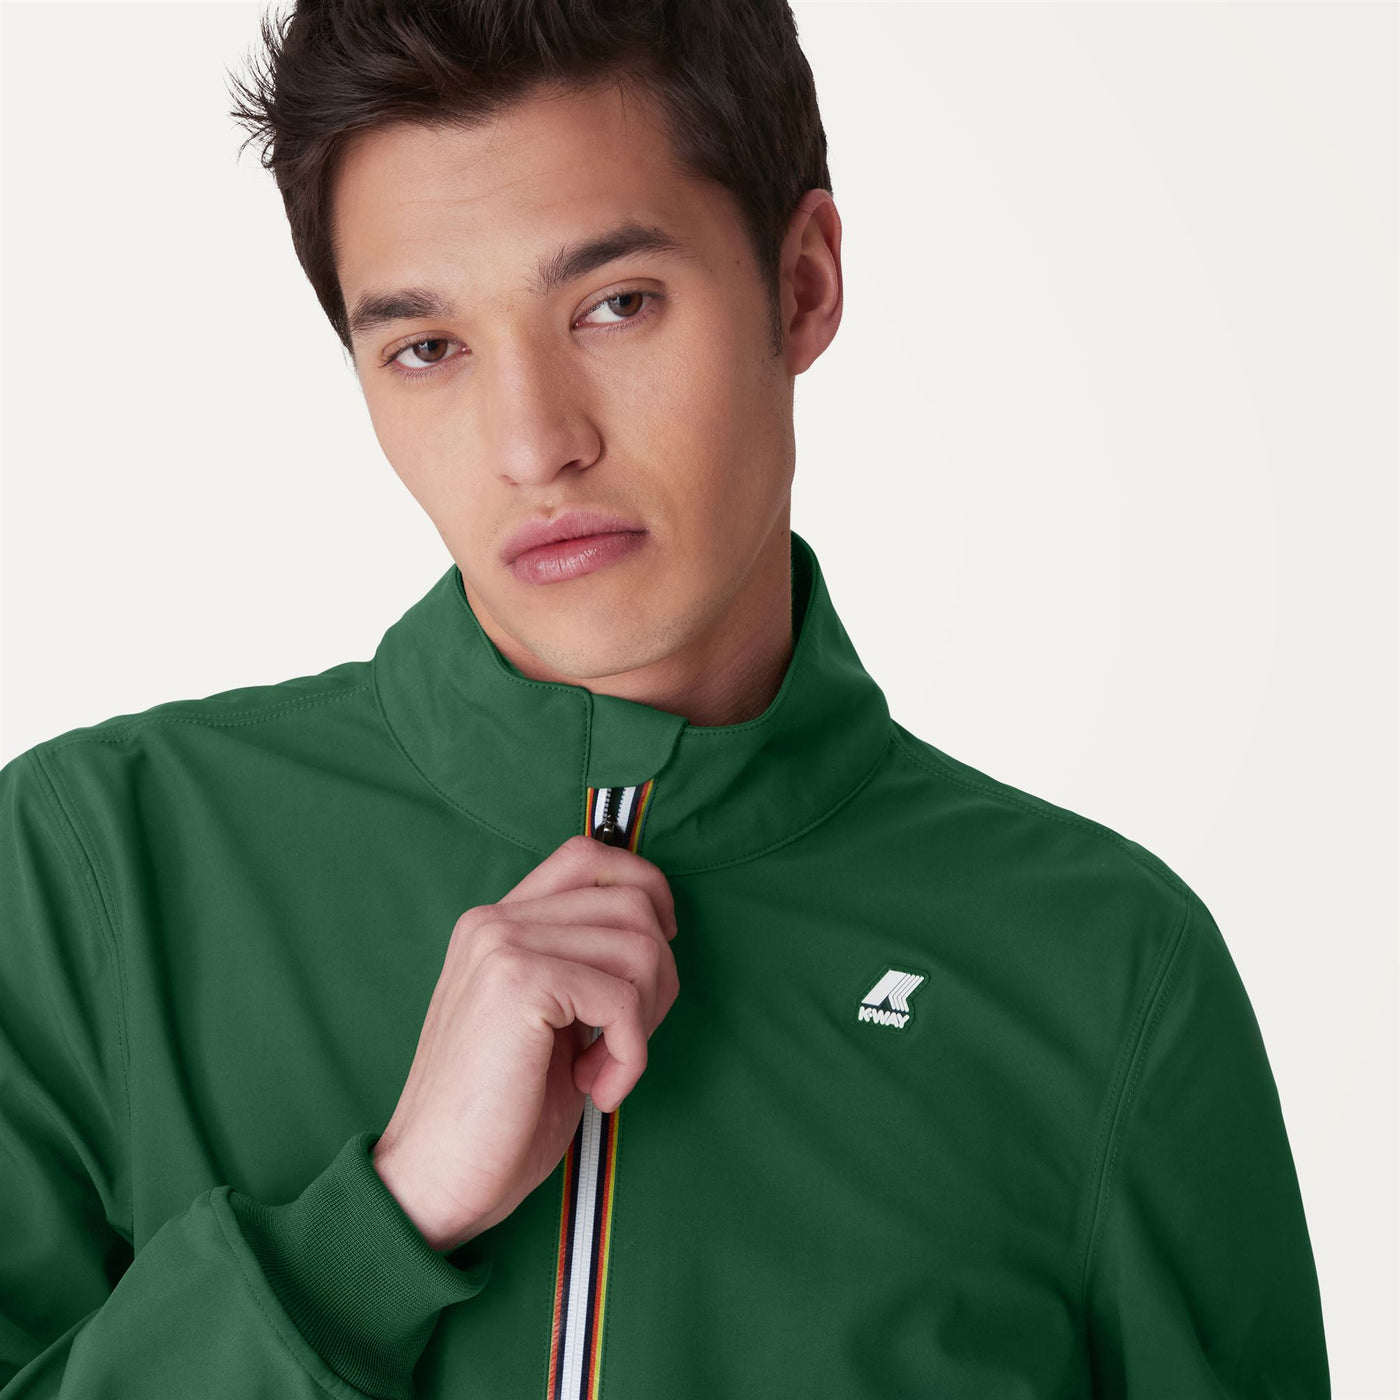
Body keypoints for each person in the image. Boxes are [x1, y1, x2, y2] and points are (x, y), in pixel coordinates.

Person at [0, 1, 1330, 1396]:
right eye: (428, 347)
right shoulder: (93, 873)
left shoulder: (1104, 971)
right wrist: (374, 1233)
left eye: (615, 305)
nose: (534, 443)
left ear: (802, 285)